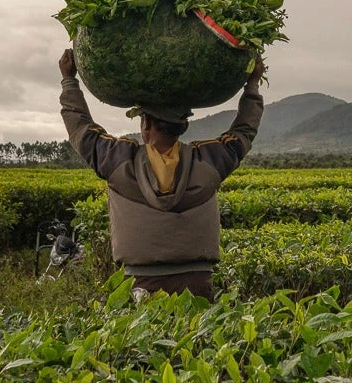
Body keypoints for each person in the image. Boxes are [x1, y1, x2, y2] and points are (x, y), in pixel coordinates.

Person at [59, 47, 264, 299]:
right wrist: (252, 84)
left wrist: (69, 81)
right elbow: (244, 131)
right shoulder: (208, 163)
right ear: (181, 128)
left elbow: (81, 128)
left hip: (141, 282)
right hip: (197, 281)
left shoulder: (119, 162)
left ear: (145, 125)